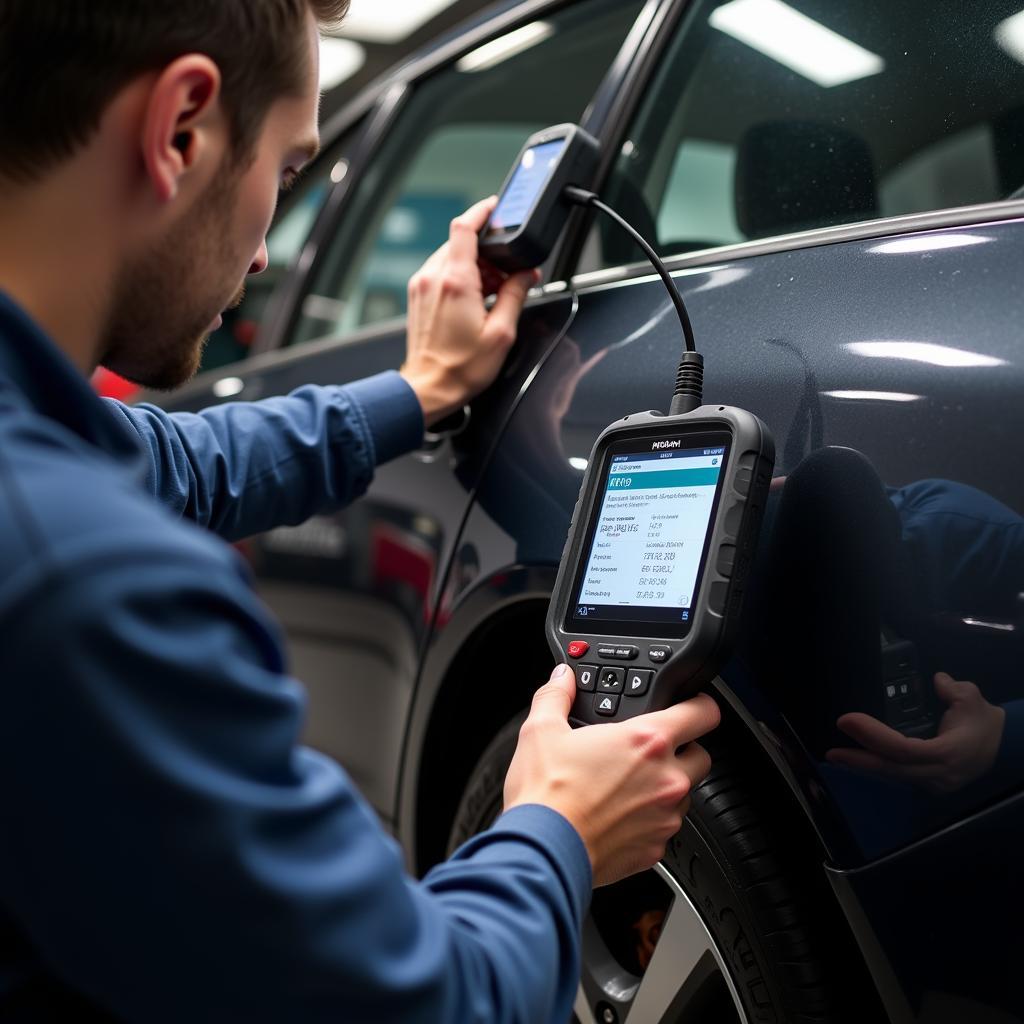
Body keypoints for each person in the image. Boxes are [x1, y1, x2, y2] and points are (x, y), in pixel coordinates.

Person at [0, 3, 720, 1021]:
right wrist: (554, 830)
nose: (263, 259)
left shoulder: (42, 454)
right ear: (181, 130)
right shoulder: (88, 579)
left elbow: (180, 457)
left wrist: (418, 390)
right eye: (289, 173)